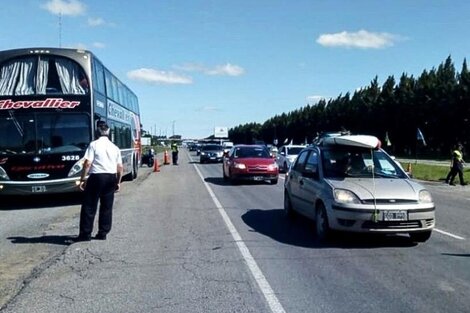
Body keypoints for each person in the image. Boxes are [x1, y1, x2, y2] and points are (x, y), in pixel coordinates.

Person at [73, 121, 123, 242]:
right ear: (109, 133)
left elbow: (87, 163)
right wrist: (118, 181)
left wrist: (82, 179)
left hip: (97, 177)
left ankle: (85, 234)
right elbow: (120, 167)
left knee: (89, 206)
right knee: (106, 206)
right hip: (111, 176)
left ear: (97, 132)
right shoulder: (115, 147)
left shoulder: (94, 145)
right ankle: (103, 232)